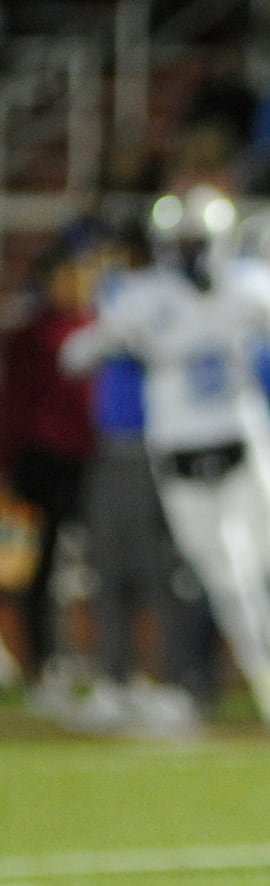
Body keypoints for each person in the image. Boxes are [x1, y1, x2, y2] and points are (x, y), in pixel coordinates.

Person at [61, 185, 270, 744]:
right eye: (178, 242)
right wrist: (113, 339)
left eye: (196, 241)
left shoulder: (250, 287)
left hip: (243, 443)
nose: (188, 254)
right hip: (180, 457)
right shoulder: (142, 298)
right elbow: (75, 356)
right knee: (229, 584)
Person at [0, 223, 100, 715]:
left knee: (97, 567)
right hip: (42, 462)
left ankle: (94, 664)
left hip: (91, 463)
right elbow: (14, 404)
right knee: (33, 571)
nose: (80, 282)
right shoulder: (31, 333)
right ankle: (43, 667)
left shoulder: (100, 325)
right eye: (71, 273)